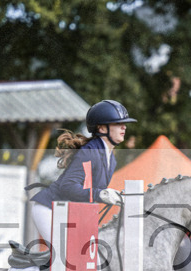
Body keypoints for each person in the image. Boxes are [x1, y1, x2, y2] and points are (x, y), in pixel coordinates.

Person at [29, 99, 136, 245]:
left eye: (124, 124)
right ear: (102, 129)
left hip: (68, 212)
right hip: (49, 209)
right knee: (66, 256)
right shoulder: (89, 152)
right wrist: (100, 194)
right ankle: (27, 268)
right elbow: (68, 186)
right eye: (117, 123)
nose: (124, 127)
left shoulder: (111, 159)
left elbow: (89, 193)